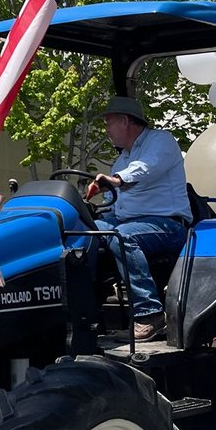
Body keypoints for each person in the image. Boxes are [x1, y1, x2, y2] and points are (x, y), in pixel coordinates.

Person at [84, 95, 192, 341]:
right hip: (131, 222)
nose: (107, 130)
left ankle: (150, 314)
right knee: (85, 232)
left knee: (121, 236)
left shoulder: (161, 141)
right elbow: (120, 206)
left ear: (124, 121)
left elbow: (146, 167)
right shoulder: (122, 158)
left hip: (169, 225)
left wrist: (116, 181)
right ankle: (86, 311)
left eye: (109, 123)